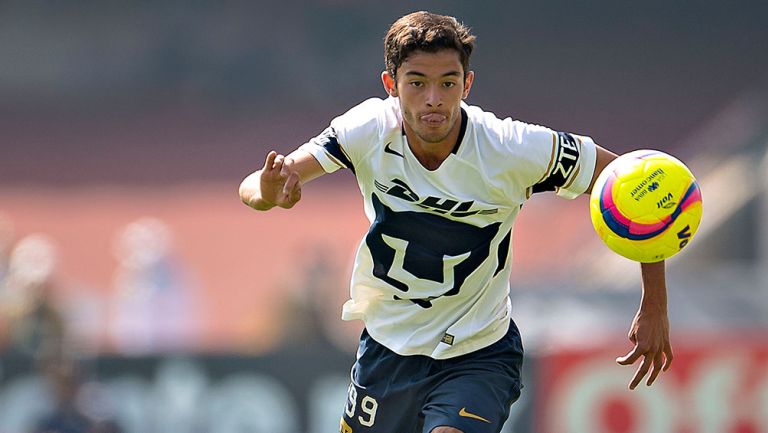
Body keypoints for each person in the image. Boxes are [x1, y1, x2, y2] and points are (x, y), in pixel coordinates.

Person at [239, 11, 673, 433]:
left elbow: (635, 188)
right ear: (392, 85)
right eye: (417, 83)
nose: (434, 99)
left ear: (467, 84)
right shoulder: (368, 129)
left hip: (478, 353)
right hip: (388, 350)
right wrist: (269, 194)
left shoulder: (511, 148)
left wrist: (655, 302)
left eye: (448, 83)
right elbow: (257, 186)